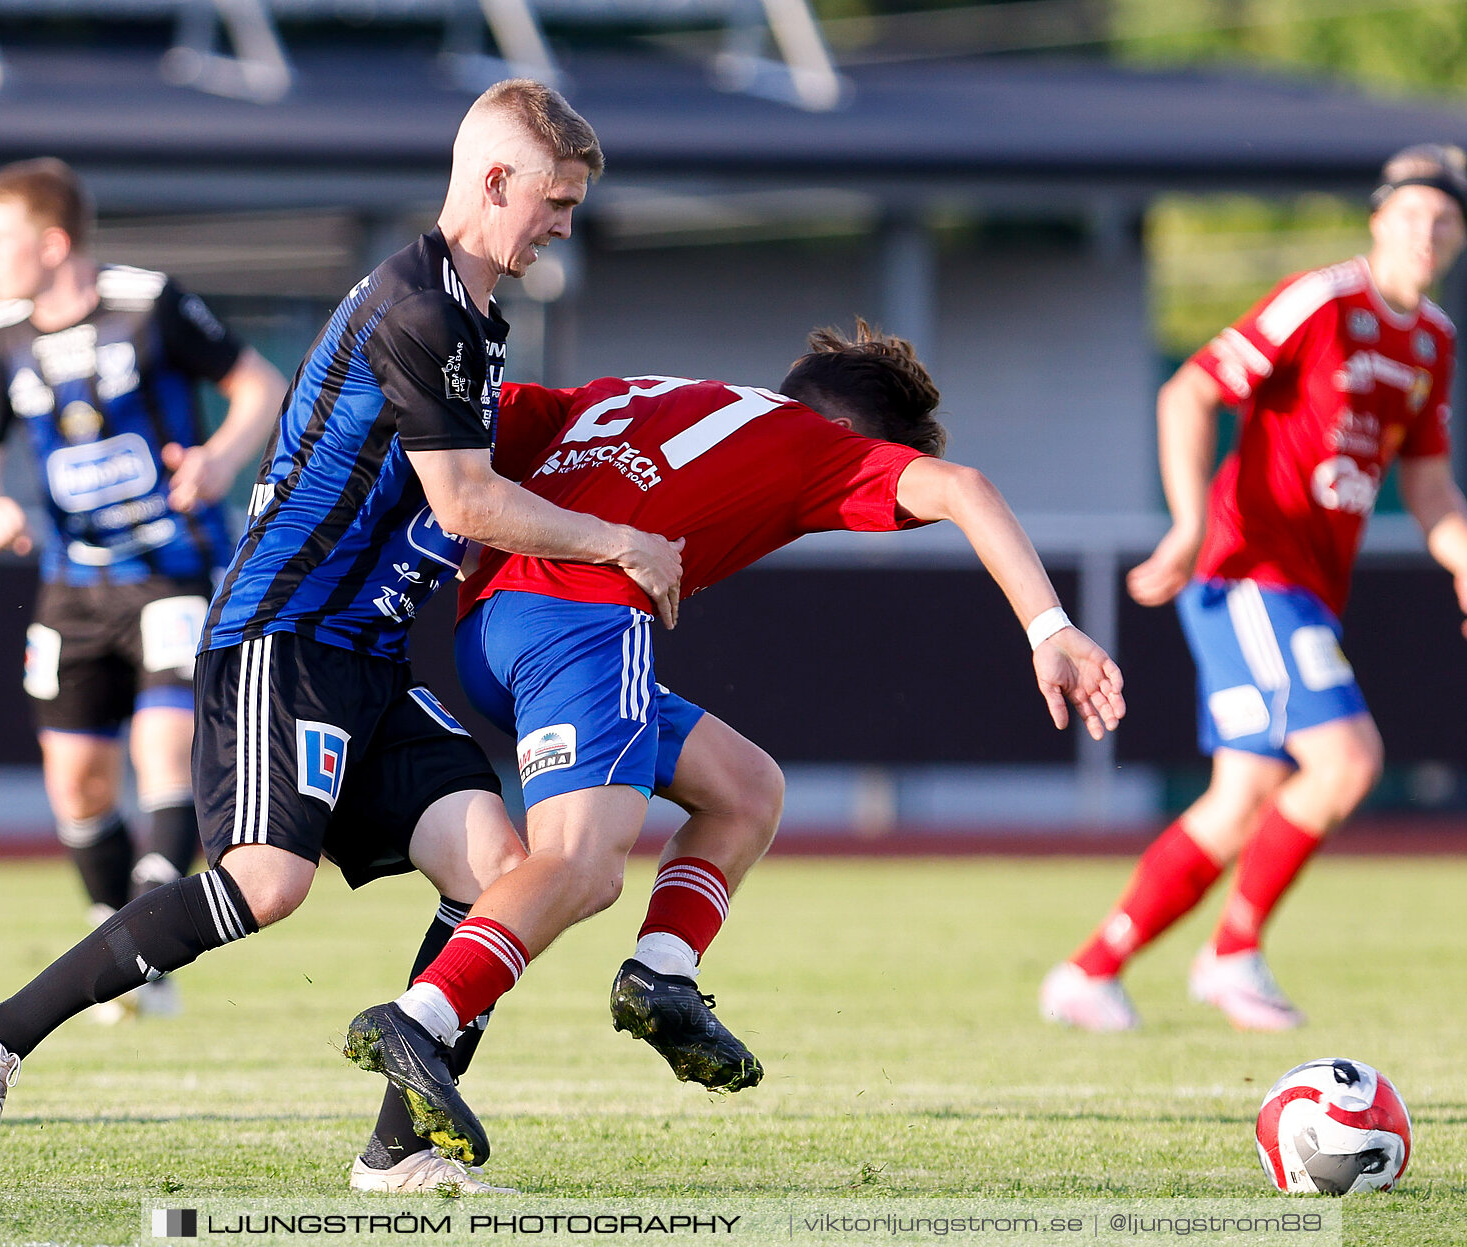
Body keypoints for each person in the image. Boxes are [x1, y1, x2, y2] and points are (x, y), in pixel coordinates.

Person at [0, 79, 682, 1190]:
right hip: (284, 634)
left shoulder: (474, 317)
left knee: (498, 873)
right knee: (265, 883)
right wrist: (618, 538)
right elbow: (467, 501)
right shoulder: (415, 308)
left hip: (367, 654)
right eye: (556, 200)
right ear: (494, 181)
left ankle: (398, 1148)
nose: (565, 222)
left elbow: (448, 512)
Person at [339, 321, 1125, 1140]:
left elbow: (459, 423)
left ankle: (664, 973)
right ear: (854, 432)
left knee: (746, 788)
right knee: (579, 864)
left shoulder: (642, 392)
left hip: (488, 629)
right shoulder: (822, 443)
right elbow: (964, 489)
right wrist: (1050, 630)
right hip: (583, 624)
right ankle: (424, 1015)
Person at [1041, 144, 1467, 1034]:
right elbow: (1188, 392)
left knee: (1243, 793)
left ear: (1459, 239)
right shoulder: (1325, 300)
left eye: (1444, 220)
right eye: (1410, 212)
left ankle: (1088, 971)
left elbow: (1432, 482)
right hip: (1252, 572)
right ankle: (1231, 953)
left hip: (1304, 588)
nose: (1426, 230)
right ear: (1379, 220)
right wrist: (1184, 520)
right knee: (1348, 759)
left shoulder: (1433, 341)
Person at [0, 158, 287, 1022]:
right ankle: (118, 931)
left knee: (164, 750)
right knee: (77, 785)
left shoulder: (150, 303)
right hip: (71, 589)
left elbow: (259, 384)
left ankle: (145, 934)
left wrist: (218, 457)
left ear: (53, 242)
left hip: (172, 570)